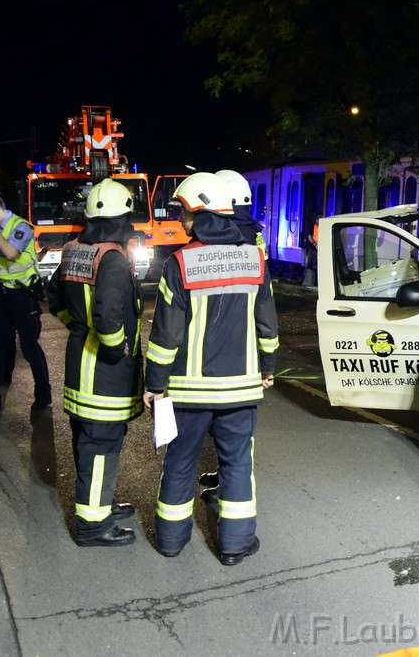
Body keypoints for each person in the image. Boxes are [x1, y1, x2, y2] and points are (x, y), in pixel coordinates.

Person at [143, 172, 278, 563]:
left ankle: (170, 541)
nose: (180, 222)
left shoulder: (180, 263)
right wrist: (267, 367)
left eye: (183, 214)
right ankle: (235, 545)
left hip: (188, 393)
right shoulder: (255, 259)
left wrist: (155, 383)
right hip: (242, 389)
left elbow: (165, 335)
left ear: (199, 213)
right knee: (237, 464)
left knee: (181, 462)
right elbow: (267, 325)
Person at [47, 179, 144, 547]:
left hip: (79, 369)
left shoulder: (74, 250)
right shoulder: (114, 259)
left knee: (89, 441)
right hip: (104, 375)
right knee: (101, 445)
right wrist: (115, 349)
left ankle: (99, 502)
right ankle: (93, 524)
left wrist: (75, 327)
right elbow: (107, 320)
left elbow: (53, 297)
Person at [193, 170, 281, 500]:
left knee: (234, 433)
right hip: (246, 347)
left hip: (220, 345)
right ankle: (224, 478)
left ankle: (228, 488)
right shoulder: (252, 239)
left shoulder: (223, 237)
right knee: (233, 430)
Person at [0, 191, 52, 416]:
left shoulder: (21, 226)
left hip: (23, 296)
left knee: (29, 347)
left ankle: (43, 393)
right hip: (0, 294)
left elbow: (11, 253)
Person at [302, 215, 320, 288]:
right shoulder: (312, 226)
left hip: (319, 248)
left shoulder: (322, 227)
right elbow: (310, 237)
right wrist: (315, 244)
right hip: (313, 249)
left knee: (315, 265)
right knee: (310, 264)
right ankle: (306, 280)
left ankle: (314, 281)